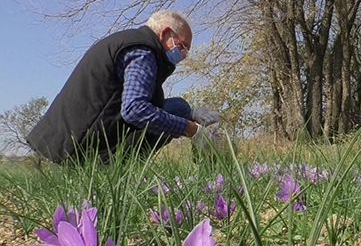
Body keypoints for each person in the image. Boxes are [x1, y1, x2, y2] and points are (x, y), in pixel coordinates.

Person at [27, 10, 220, 164]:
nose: (184, 55)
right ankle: (118, 171)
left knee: (180, 107)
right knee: (178, 112)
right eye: (182, 46)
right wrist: (191, 129)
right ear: (165, 34)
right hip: (80, 151)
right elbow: (135, 110)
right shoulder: (143, 52)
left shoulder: (127, 41)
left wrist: (192, 113)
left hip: (68, 139)